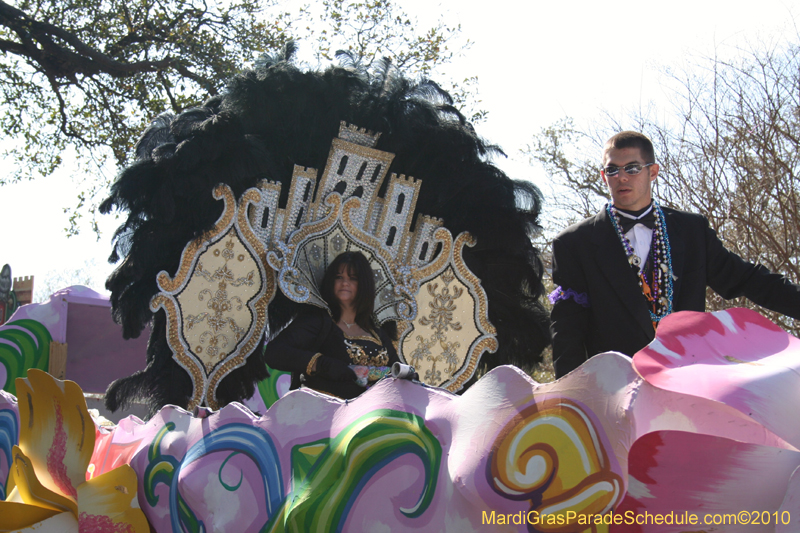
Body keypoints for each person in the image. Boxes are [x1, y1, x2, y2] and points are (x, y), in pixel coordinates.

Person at [550, 131, 800, 378]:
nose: (622, 177)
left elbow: (747, 278)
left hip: (688, 380)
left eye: (633, 168)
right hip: (615, 391)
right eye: (613, 170)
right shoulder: (574, 243)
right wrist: (569, 399)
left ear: (653, 172)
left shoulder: (692, 230)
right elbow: (568, 330)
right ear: (604, 176)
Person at [264, 251, 400, 398]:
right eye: (339, 277)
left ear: (364, 285)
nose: (345, 283)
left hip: (367, 415)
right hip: (323, 414)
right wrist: (323, 364)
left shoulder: (377, 333)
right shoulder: (318, 321)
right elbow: (275, 352)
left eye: (353, 278)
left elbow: (397, 371)